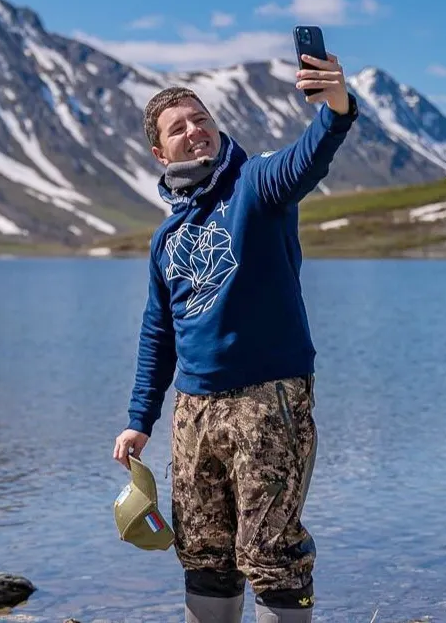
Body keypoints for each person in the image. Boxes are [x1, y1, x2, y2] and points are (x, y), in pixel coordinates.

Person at [111, 53, 358, 623]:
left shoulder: (257, 185)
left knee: (271, 552)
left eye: (201, 119)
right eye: (179, 127)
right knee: (203, 552)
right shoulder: (167, 236)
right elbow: (159, 332)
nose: (195, 130)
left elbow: (308, 158)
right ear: (159, 152)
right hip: (193, 412)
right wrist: (138, 418)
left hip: (267, 402)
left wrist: (336, 109)